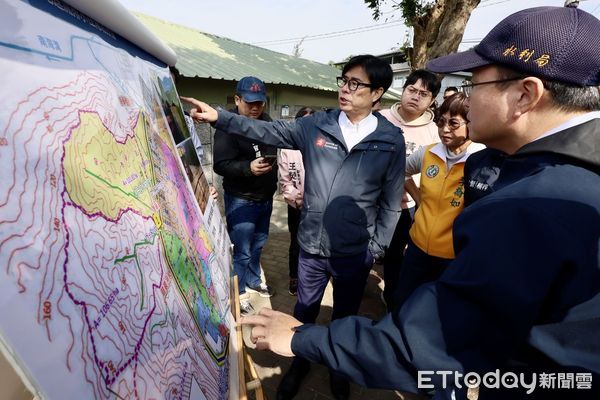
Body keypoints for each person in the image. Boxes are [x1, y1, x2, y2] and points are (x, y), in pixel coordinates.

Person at [240, 6, 600, 400]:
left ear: (525, 94)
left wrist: (297, 338)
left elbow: (428, 342)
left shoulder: (536, 203)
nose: (461, 101)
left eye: (473, 86)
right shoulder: (551, 174)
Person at [183, 54, 405, 400]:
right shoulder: (316, 125)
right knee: (304, 310)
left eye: (355, 84)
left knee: (345, 316)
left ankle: (338, 369)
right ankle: (299, 362)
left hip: (354, 251)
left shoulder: (391, 139)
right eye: (343, 81)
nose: (345, 89)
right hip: (312, 247)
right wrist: (220, 118)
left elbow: (391, 201)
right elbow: (266, 129)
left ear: (377, 93)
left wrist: (375, 249)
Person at [392, 92, 484, 310]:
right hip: (417, 248)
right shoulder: (428, 153)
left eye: (453, 123)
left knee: (438, 311)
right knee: (403, 303)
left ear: (471, 123)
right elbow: (400, 171)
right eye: (441, 122)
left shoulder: (480, 161)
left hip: (453, 257)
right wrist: (417, 196)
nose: (445, 129)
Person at [212, 76, 277, 315]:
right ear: (237, 99)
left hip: (265, 197)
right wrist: (247, 168)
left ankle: (252, 280)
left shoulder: (268, 122)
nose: (255, 107)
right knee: (241, 249)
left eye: (259, 102)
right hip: (241, 199)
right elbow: (220, 164)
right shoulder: (227, 126)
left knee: (259, 244)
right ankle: (237, 295)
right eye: (249, 102)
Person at [378, 69, 441, 310]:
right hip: (369, 201)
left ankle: (392, 301)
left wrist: (418, 199)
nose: (415, 97)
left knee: (395, 257)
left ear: (432, 100)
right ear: (403, 90)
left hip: (405, 206)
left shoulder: (435, 132)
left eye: (423, 94)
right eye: (411, 90)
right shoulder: (380, 118)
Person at [278, 107, 314, 296]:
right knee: (296, 242)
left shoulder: (323, 144)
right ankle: (294, 277)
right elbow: (286, 181)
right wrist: (297, 198)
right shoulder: (287, 148)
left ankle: (311, 279)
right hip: (297, 205)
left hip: (319, 206)